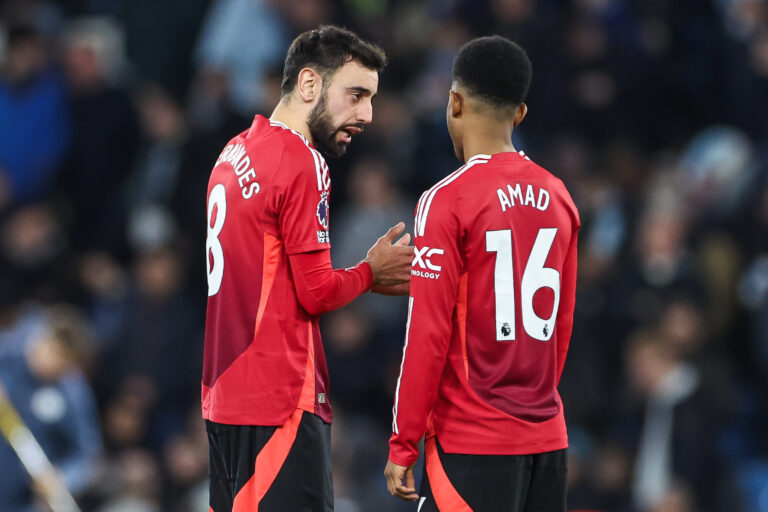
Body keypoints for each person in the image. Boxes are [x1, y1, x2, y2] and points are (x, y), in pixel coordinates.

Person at [201, 25, 412, 511]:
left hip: (222, 400)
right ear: (310, 84)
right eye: (356, 94)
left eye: (372, 99)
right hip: (278, 399)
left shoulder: (233, 152)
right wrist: (370, 272)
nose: (367, 114)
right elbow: (316, 292)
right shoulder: (301, 159)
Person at [384, 36, 580, 511]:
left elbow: (427, 334)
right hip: (547, 441)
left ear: (454, 101)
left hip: (473, 442)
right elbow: (561, 328)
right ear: (520, 114)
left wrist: (404, 442)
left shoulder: (447, 199)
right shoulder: (559, 198)